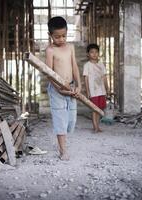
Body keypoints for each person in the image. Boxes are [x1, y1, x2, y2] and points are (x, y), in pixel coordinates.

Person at [45, 16, 81, 160]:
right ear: (50, 35)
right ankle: (63, 150)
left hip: (71, 88)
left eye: (64, 36)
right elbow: (49, 73)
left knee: (71, 120)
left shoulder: (70, 47)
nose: (61, 39)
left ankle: (63, 142)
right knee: (60, 119)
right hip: (57, 90)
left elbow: (75, 67)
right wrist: (58, 88)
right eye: (57, 37)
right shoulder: (50, 50)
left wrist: (78, 85)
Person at [83, 43, 109, 133]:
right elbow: (86, 79)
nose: (94, 54)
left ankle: (98, 126)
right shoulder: (87, 65)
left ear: (98, 53)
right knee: (94, 109)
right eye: (92, 52)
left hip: (101, 91)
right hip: (93, 91)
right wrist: (87, 91)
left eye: (96, 52)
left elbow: (104, 77)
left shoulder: (101, 65)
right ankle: (95, 127)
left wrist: (107, 88)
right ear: (88, 54)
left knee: (99, 109)